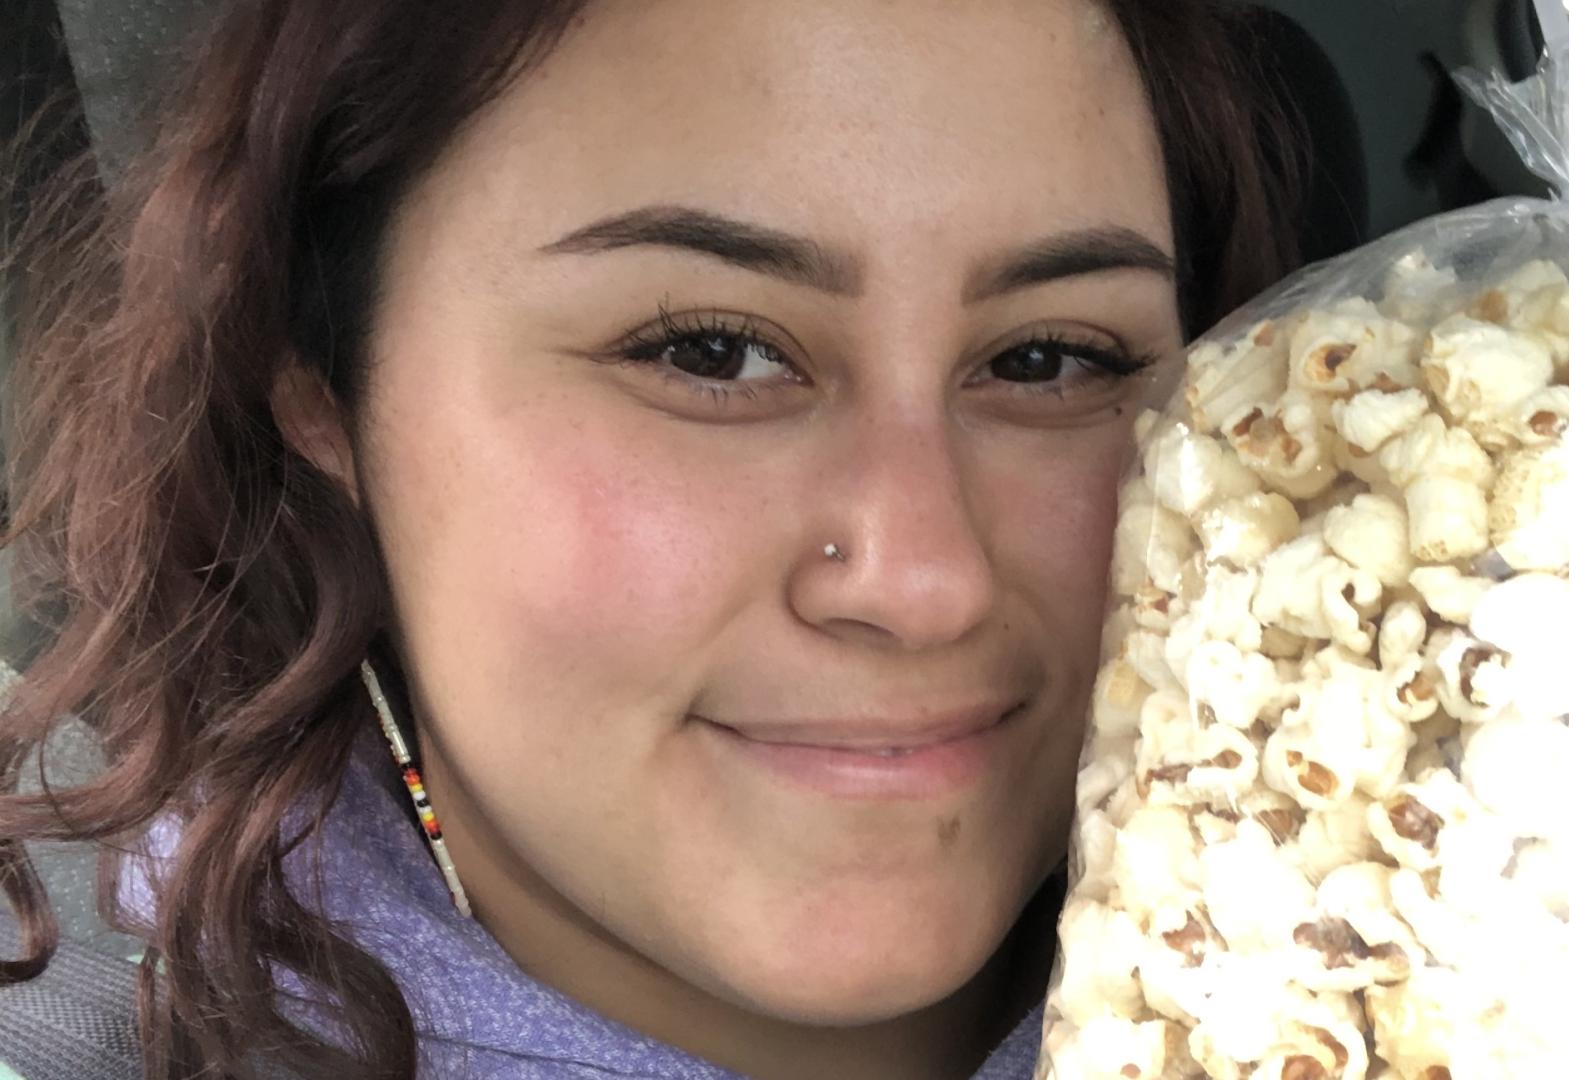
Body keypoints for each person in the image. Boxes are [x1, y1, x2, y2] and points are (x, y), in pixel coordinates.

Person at [0, 0, 1298, 1076]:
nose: (926, 581)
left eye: (1049, 358)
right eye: (710, 351)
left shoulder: (1423, 959)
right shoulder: (71, 1022)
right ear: (324, 391)